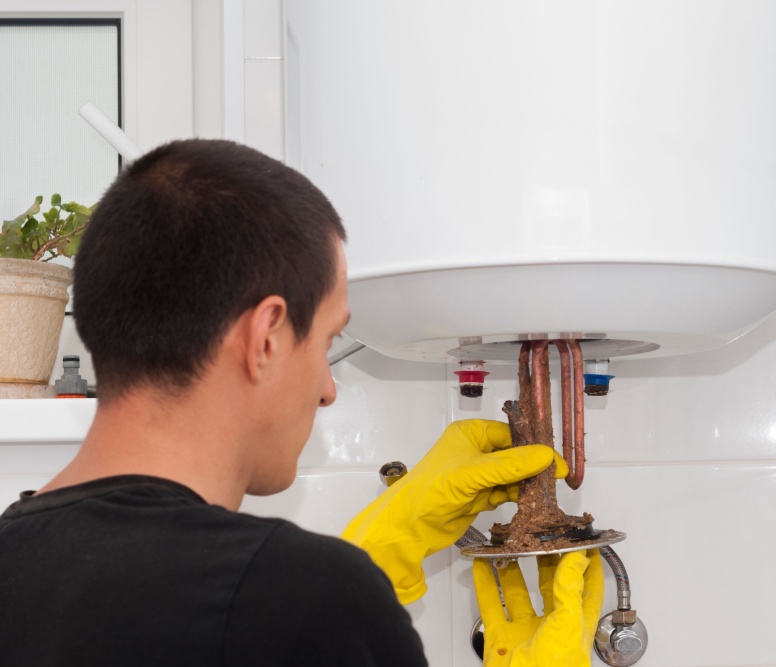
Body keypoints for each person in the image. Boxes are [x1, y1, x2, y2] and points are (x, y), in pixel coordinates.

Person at [0, 139, 602, 666]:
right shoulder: (307, 604)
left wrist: (378, 553)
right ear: (264, 339)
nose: (328, 387)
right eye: (326, 341)